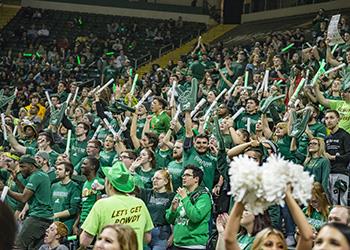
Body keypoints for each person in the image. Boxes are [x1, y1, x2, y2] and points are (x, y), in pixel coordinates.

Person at [79, 162, 154, 250]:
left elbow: (84, 241)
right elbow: (147, 238)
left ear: (109, 184)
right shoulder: (139, 203)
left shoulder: (102, 204)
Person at [223, 185, 313, 250]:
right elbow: (229, 239)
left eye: (281, 246)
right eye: (268, 244)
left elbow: (307, 236)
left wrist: (288, 196)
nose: (274, 249)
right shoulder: (242, 236)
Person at [0, 155, 53, 249]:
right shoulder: (40, 175)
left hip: (38, 217)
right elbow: (26, 193)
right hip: (44, 218)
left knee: (17, 246)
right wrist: (16, 180)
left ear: (32, 166)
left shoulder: (36, 176)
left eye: (23, 166)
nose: (20, 169)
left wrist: (5, 189)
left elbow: (24, 198)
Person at [166, 165, 212, 249]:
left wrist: (185, 198)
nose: (184, 177)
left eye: (187, 175)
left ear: (196, 179)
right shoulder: (180, 194)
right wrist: (173, 210)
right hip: (177, 244)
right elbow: (169, 220)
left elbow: (195, 217)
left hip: (195, 245)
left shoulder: (204, 196)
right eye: (183, 175)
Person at [139, 170, 175, 249]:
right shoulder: (147, 193)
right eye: (153, 178)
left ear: (165, 181)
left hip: (161, 234)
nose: (155, 180)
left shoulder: (172, 196)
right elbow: (132, 187)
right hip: (146, 232)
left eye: (158, 178)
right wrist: (132, 169)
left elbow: (175, 218)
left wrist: (172, 236)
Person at [324, 110, 350, 205]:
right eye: (326, 118)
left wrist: (333, 157)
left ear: (338, 119)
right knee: (330, 204)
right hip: (328, 174)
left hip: (341, 173)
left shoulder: (345, 135)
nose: (329, 121)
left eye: (331, 118)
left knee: (341, 204)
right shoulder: (326, 139)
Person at [51, 161, 81, 234]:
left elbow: (73, 210)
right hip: (52, 223)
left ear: (67, 172)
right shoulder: (54, 186)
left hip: (66, 225)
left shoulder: (75, 187)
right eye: (56, 169)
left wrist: (56, 215)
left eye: (60, 169)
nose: (56, 171)